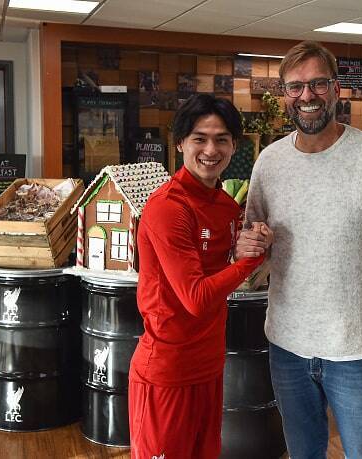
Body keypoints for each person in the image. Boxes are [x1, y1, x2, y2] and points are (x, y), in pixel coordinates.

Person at [236, 41, 362, 458]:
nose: (307, 95)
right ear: (284, 94)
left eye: (318, 84)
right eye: (296, 86)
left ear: (336, 89)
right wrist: (249, 246)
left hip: (358, 351)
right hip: (287, 346)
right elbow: (253, 251)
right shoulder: (269, 163)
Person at [128, 93, 272, 459]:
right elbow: (196, 298)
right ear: (180, 143)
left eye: (221, 139)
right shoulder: (168, 207)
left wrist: (248, 246)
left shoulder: (225, 206)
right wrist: (249, 261)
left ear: (234, 145)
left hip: (209, 365)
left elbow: (221, 271)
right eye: (199, 139)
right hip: (167, 371)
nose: (211, 150)